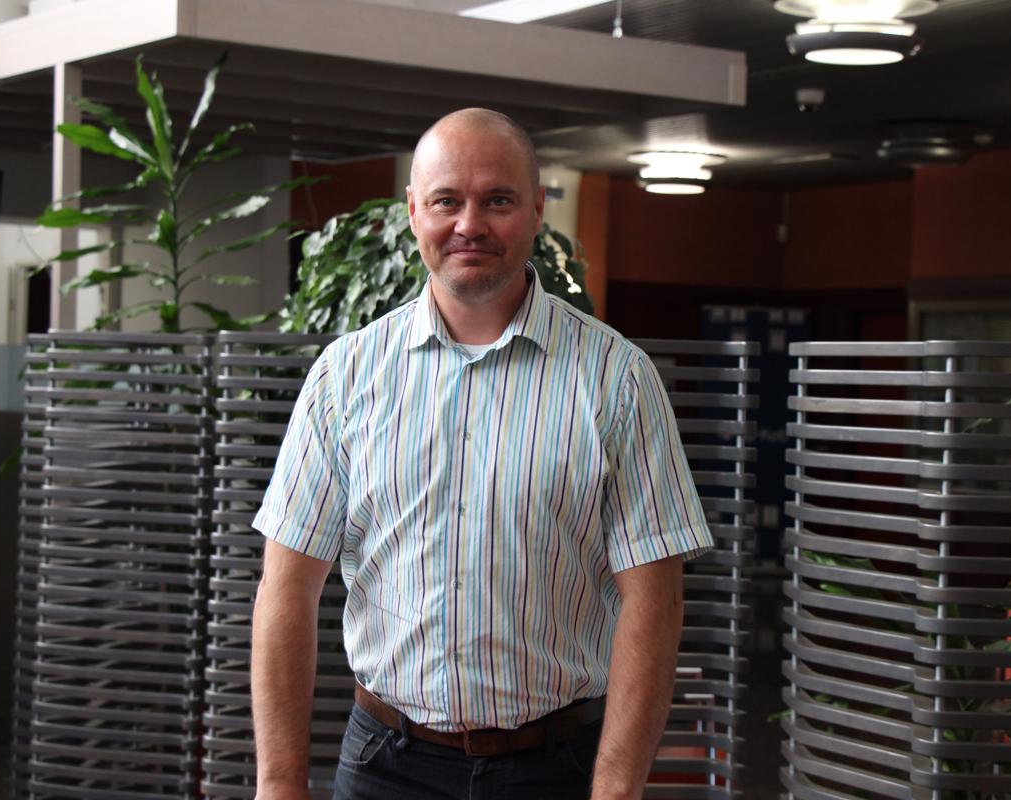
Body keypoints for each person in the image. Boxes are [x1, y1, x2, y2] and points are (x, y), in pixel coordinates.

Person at [250, 107, 712, 800]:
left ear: (536, 209)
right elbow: (287, 588)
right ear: (414, 211)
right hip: (385, 768)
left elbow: (655, 600)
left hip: (558, 769)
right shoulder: (344, 378)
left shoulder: (617, 379)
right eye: (446, 201)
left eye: (497, 200)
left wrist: (617, 792)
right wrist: (279, 784)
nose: (470, 225)